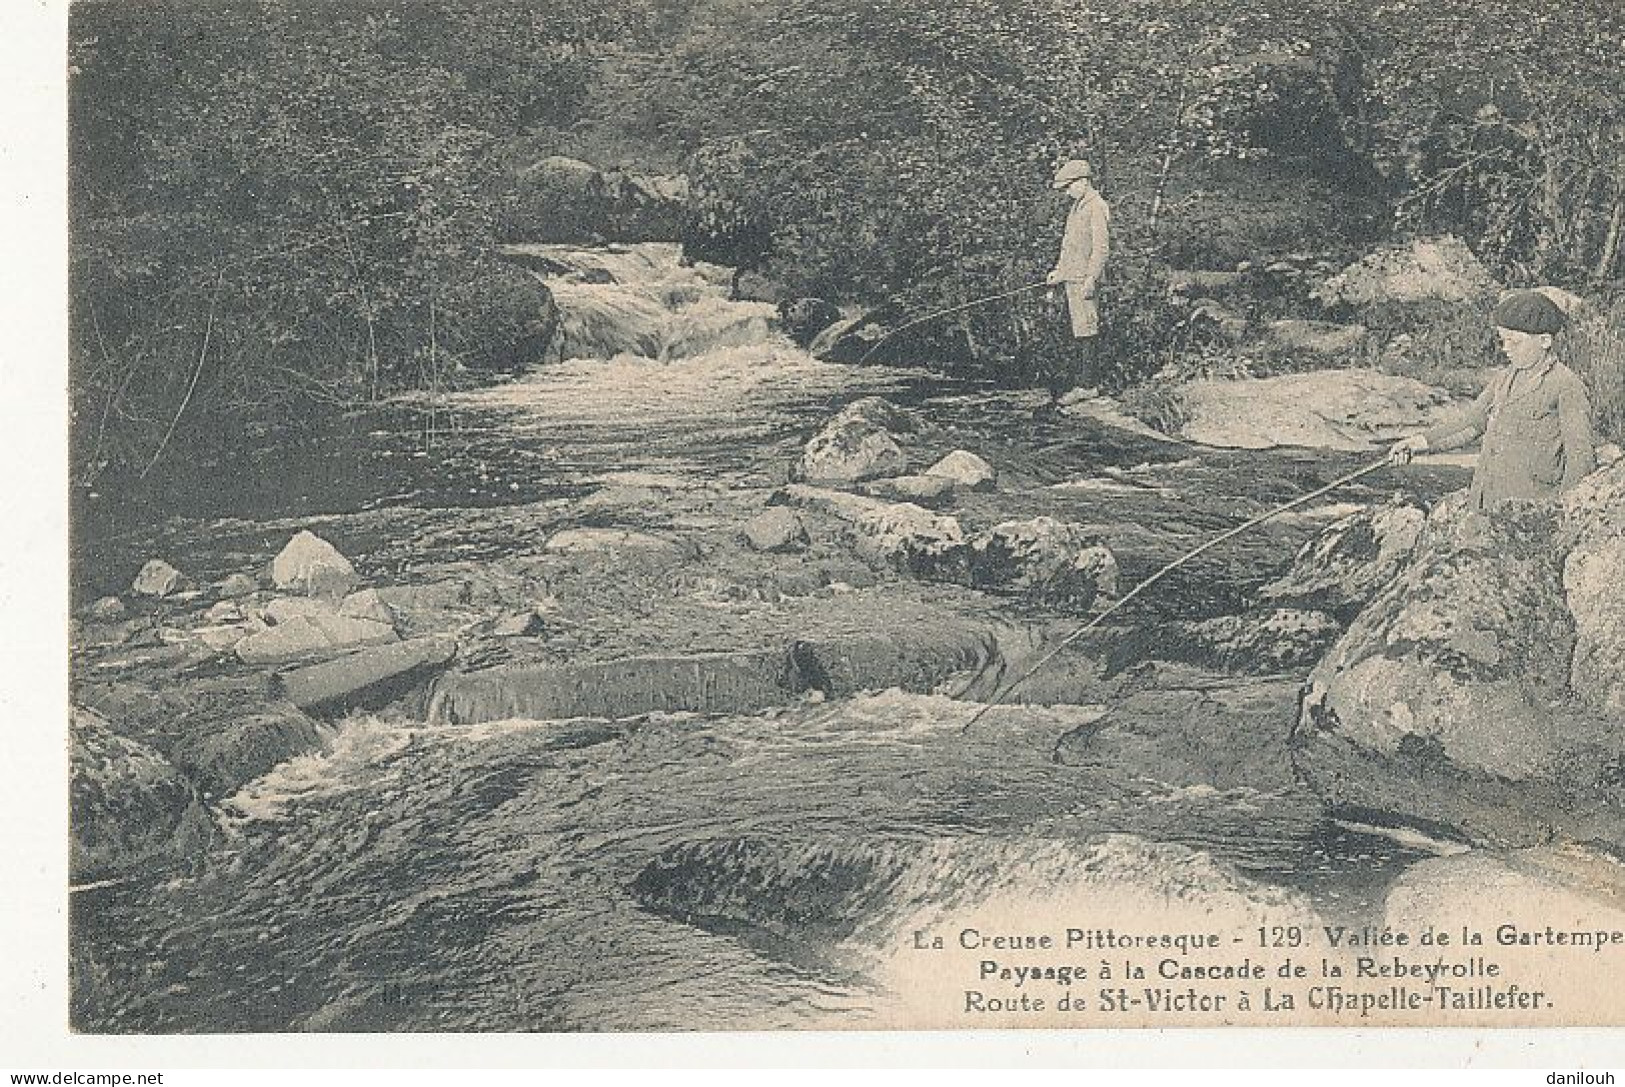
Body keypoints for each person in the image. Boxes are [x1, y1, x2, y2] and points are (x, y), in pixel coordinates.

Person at [1387, 289, 1596, 510]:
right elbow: (1470, 424)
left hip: (1530, 511)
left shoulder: (1566, 385)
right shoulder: (1504, 378)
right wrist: (1419, 443)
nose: (1506, 349)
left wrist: (1564, 512)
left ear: (1544, 341)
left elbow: (1580, 458)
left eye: (1514, 342)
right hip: (1485, 502)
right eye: (1503, 341)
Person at [1043, 158, 1110, 406]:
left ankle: (1087, 386)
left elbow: (1101, 249)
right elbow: (1069, 247)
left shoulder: (1096, 207)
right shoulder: (1077, 208)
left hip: (1084, 280)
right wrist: (1058, 272)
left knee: (1087, 331)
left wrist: (1091, 278)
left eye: (1069, 186)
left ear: (1082, 182)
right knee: (1078, 330)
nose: (1067, 192)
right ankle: (1081, 380)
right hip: (1071, 279)